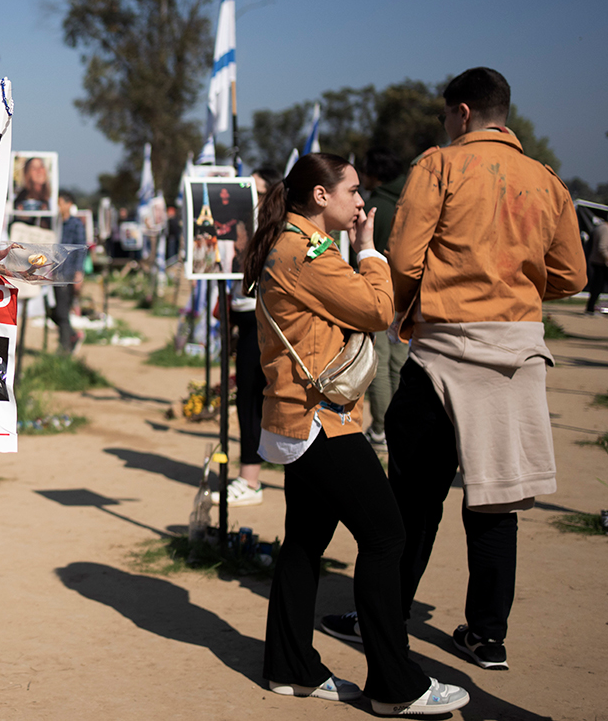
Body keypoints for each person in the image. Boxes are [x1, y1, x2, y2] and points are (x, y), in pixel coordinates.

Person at [325, 68, 586, 673]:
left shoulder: (439, 165)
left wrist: (405, 304)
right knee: (497, 501)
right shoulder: (547, 180)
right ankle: (486, 636)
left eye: (447, 116)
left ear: (462, 113)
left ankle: (383, 615)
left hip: (444, 349)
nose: (446, 125)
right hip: (518, 354)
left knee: (412, 499)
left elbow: (407, 257)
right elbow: (572, 276)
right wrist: (512, 276)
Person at [248, 153, 468, 716]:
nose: (359, 201)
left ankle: (290, 667)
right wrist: (371, 249)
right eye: (351, 191)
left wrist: (354, 246)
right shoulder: (304, 250)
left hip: (302, 415)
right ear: (321, 197)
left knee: (304, 542)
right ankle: (395, 684)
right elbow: (376, 308)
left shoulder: (299, 245)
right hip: (321, 419)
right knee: (387, 538)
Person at [214, 165, 282, 508]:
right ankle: (250, 473)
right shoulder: (238, 223)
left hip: (262, 315)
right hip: (241, 310)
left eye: (254, 191)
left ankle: (250, 477)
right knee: (247, 395)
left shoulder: (275, 228)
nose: (247, 198)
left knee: (253, 397)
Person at [358, 147, 409, 448]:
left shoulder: (375, 207)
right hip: (406, 298)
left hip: (378, 296)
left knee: (377, 365)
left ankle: (380, 429)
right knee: (399, 365)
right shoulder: (410, 202)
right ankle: (396, 427)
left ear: (376, 175)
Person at [52, 192, 86, 353]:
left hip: (68, 273)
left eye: (60, 203)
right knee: (56, 310)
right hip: (54, 273)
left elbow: (80, 250)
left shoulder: (75, 224)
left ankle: (64, 346)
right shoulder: (55, 224)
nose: (58, 206)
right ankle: (73, 336)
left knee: (62, 311)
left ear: (68, 204)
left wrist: (79, 273)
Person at [586, 217, 608, 314]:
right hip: (602, 262)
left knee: (597, 286)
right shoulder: (605, 229)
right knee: (597, 286)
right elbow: (602, 247)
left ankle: (590, 307)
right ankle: (590, 308)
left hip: (597, 261)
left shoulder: (599, 227)